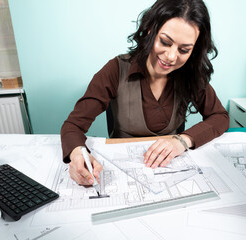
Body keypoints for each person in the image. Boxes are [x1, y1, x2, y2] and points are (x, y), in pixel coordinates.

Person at [61, 0, 229, 186]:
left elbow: (220, 116)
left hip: (172, 172)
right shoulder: (116, 70)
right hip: (123, 176)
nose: (171, 57)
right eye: (165, 42)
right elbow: (73, 126)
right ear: (150, 30)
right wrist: (77, 153)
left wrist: (182, 141)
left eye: (184, 50)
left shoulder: (191, 73)